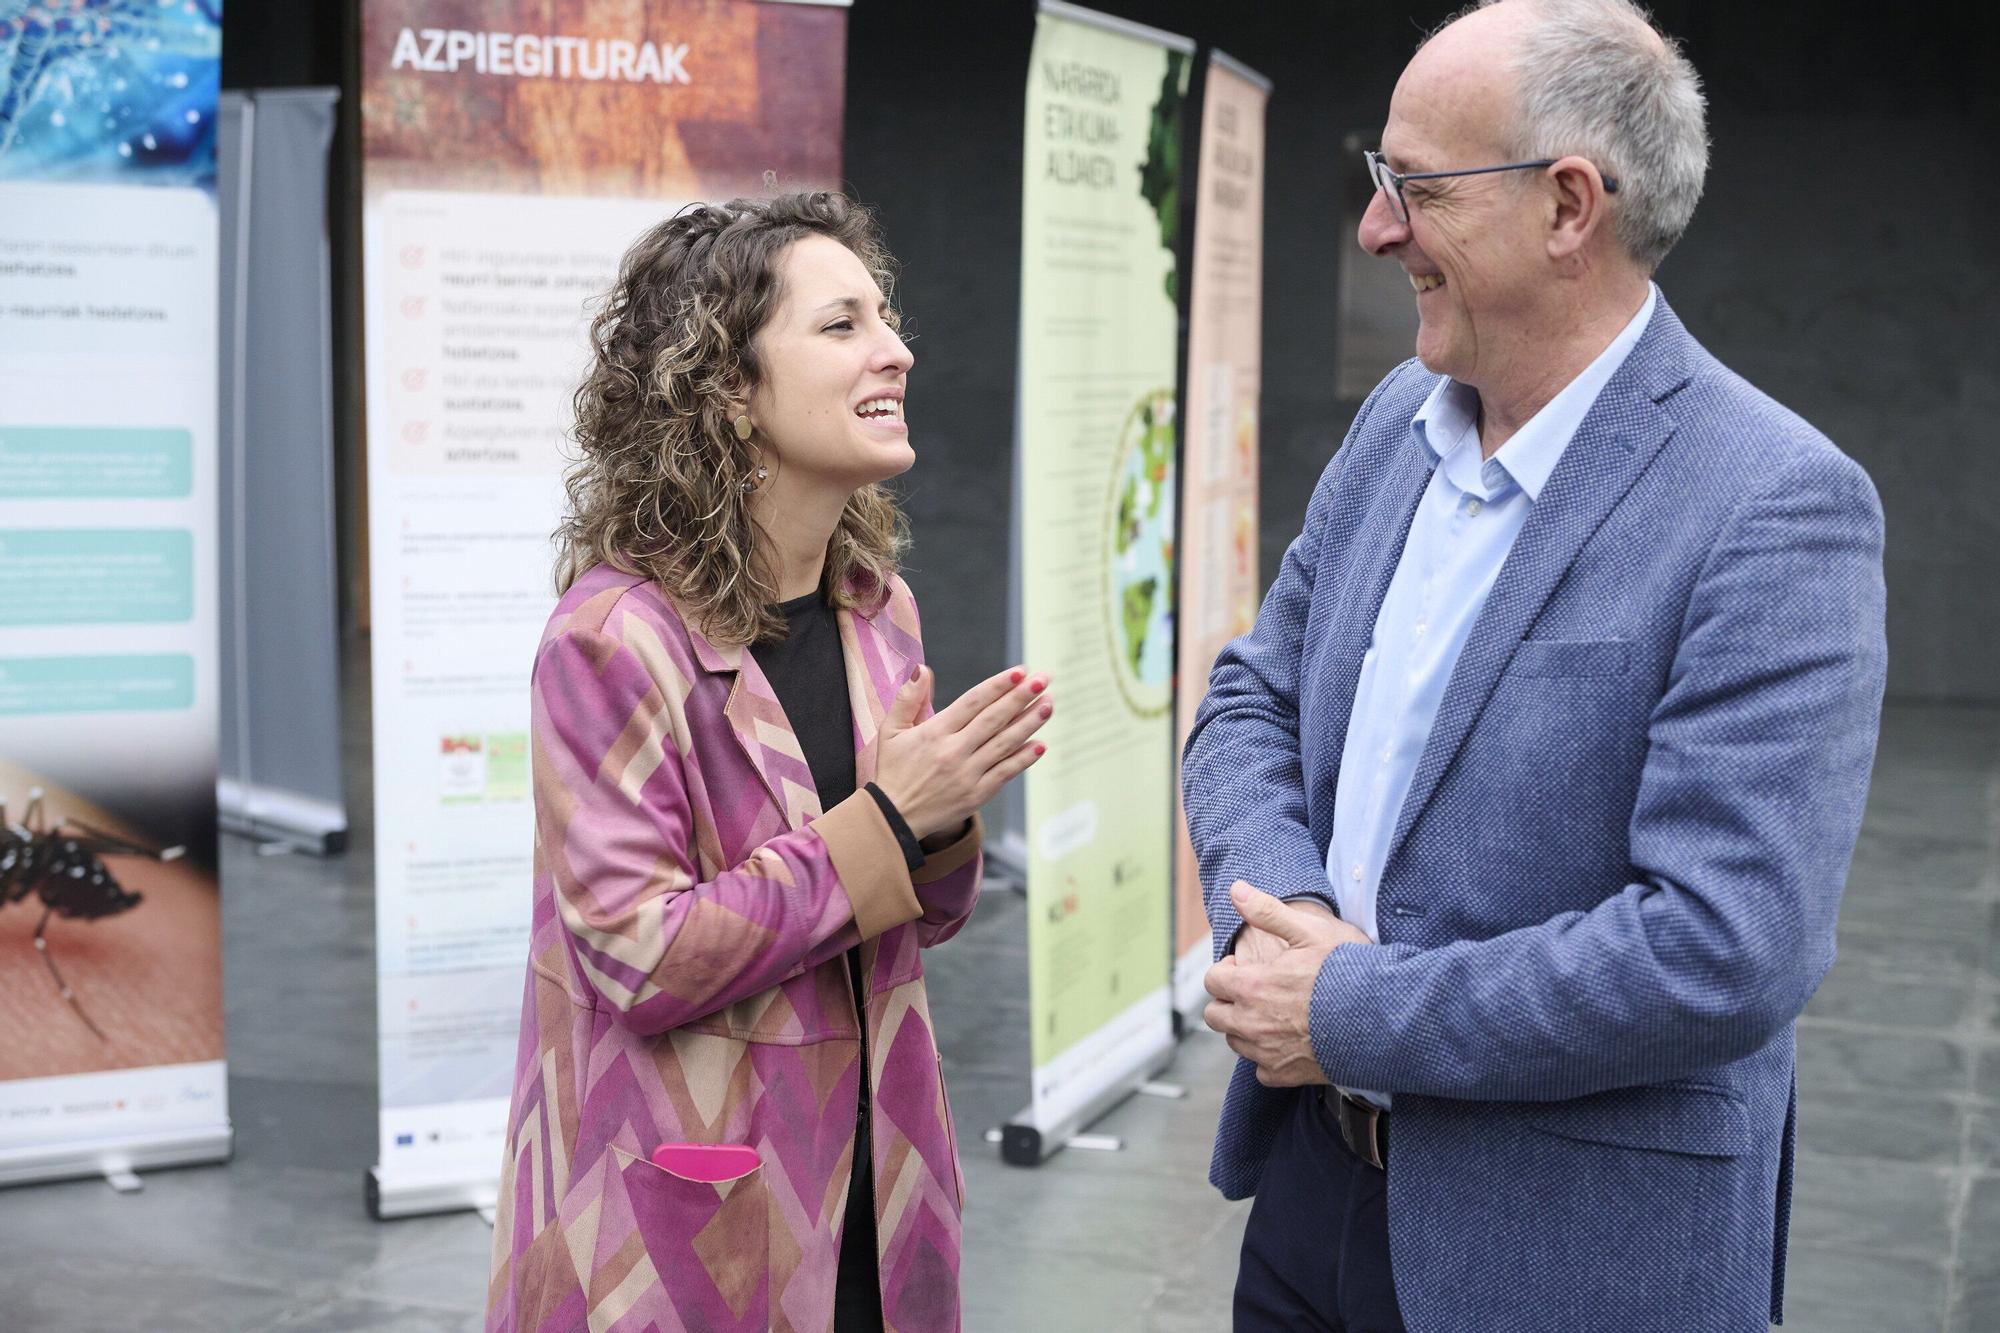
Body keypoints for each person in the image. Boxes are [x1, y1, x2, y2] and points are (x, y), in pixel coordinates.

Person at [1188, 2, 1886, 1330]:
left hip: (1566, 1257)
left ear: (1569, 207)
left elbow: (1725, 946)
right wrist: (1279, 923)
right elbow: (1250, 698)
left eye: (1415, 186)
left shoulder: (1773, 505)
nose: (1375, 227)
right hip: (1309, 1194)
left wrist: (1347, 1007)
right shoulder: (1398, 420)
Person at [485, 191, 1052, 1333]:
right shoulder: (612, 640)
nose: (895, 350)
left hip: (879, 1191)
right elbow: (640, 957)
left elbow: (922, 917)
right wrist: (890, 819)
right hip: (689, 1226)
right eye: (842, 325)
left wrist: (939, 823)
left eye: (885, 318)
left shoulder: (876, 606)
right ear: (729, 389)